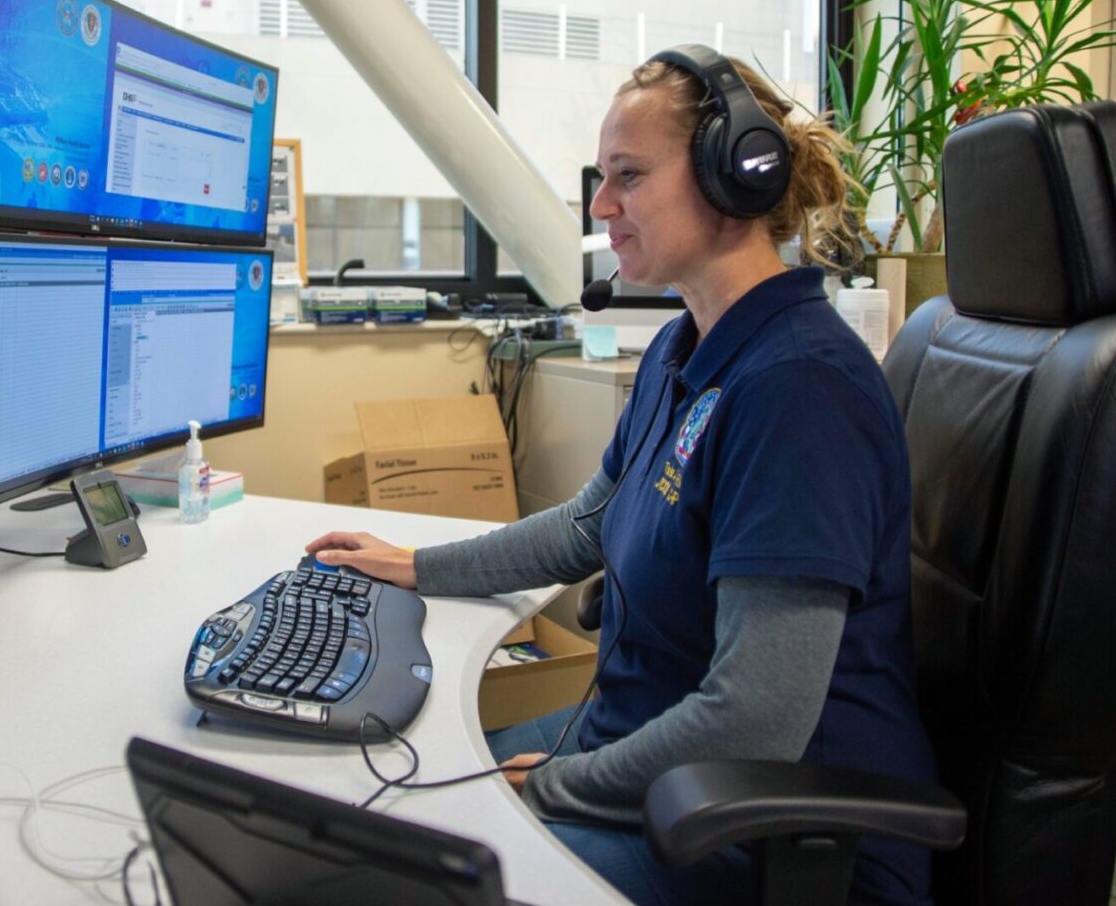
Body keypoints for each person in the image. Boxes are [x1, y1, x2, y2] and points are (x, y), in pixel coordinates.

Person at [306, 47, 936, 905]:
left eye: (627, 177)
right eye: (601, 179)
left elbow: (756, 716)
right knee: (375, 804)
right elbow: (585, 525)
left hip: (748, 824)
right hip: (638, 749)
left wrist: (559, 784)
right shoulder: (686, 349)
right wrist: (416, 565)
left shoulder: (798, 388)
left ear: (733, 178)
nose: (601, 207)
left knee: (407, 869)